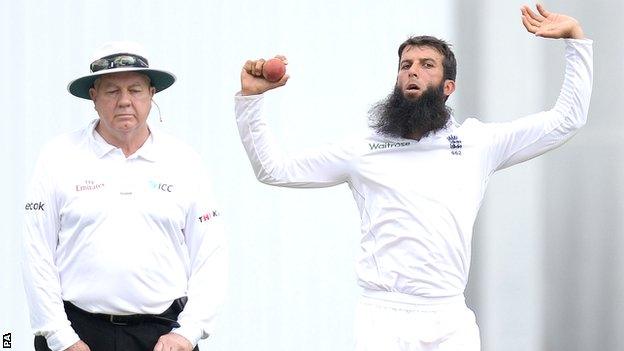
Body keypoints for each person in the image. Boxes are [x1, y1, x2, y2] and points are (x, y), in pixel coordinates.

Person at [234, 4, 591, 351]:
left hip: (449, 315)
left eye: (426, 65)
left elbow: (566, 120)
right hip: (384, 317)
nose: (412, 72)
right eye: (405, 65)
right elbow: (274, 169)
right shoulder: (362, 150)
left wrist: (575, 40)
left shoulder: (477, 143)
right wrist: (251, 100)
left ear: (448, 87)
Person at [22, 41, 227, 351]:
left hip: (162, 335)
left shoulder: (184, 160)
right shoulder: (57, 157)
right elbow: (36, 252)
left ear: (151, 95)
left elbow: (210, 253)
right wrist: (61, 338)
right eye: (112, 91)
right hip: (77, 332)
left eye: (135, 90)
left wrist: (189, 332)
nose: (124, 101)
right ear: (93, 97)